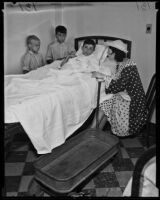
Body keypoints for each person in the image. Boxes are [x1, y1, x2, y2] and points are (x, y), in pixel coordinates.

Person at [90, 40, 148, 137]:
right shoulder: (122, 64)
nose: (107, 54)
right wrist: (104, 75)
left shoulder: (129, 65)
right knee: (105, 104)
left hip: (134, 104)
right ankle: (96, 134)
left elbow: (118, 86)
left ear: (117, 52)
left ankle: (92, 132)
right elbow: (118, 80)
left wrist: (103, 76)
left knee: (104, 103)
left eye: (110, 51)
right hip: (127, 97)